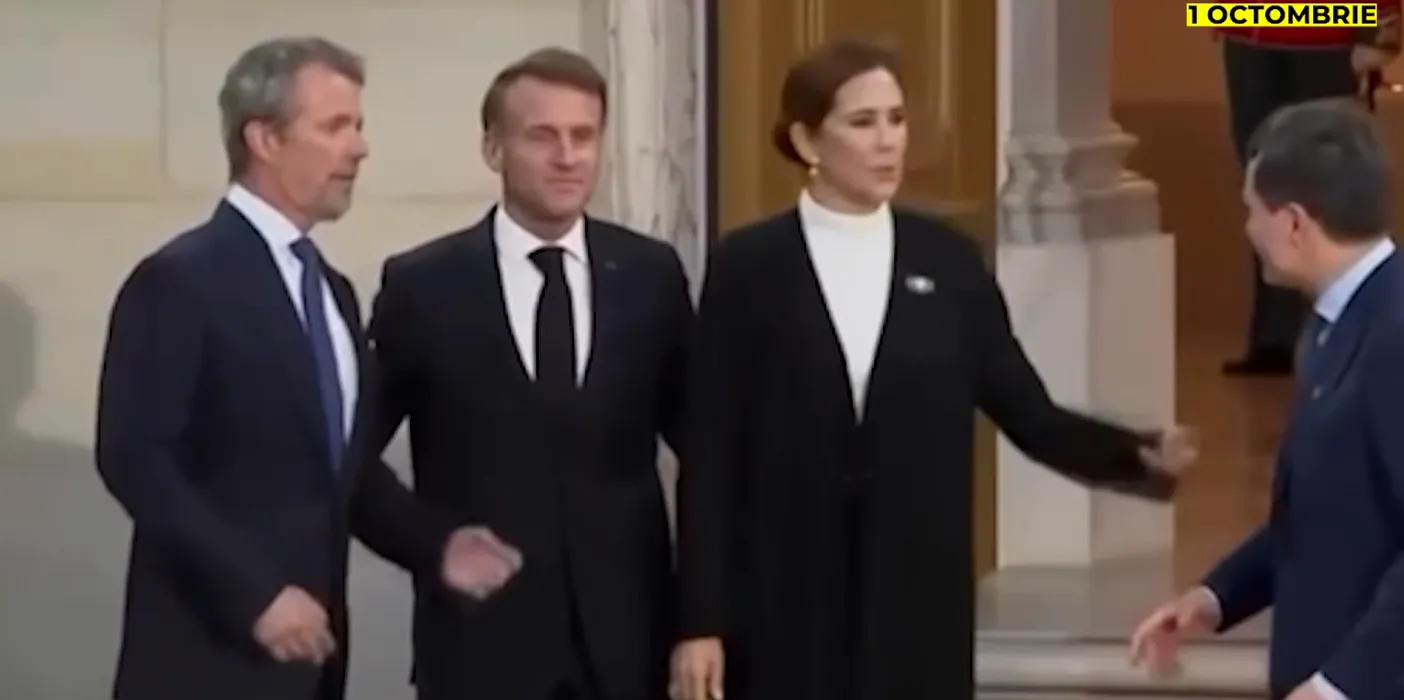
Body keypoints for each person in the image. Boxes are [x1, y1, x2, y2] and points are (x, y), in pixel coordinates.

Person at [669, 39, 1196, 700]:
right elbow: (711, 456)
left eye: (896, 119)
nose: (888, 141)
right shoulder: (748, 268)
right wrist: (701, 622)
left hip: (915, 604)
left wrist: (1138, 455)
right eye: (863, 122)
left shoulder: (950, 263)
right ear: (806, 141)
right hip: (785, 604)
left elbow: (1029, 413)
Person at [94, 37, 522, 700]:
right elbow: (135, 459)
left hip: (311, 670)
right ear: (264, 138)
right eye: (335, 126)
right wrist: (256, 594)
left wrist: (437, 545)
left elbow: (344, 473)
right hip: (202, 665)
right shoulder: (178, 282)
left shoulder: (333, 292)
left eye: (358, 125)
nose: (359, 148)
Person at [366, 47, 692, 700]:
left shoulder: (651, 276)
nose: (568, 157)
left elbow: (709, 451)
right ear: (494, 149)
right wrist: (432, 545)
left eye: (584, 136)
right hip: (481, 649)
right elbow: (346, 453)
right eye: (543, 136)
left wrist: (704, 618)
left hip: (630, 650)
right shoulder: (423, 287)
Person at [1131, 100, 1404, 700]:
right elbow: (1319, 513)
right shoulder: (1337, 322)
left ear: (1295, 224)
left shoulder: (1395, 332)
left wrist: (1339, 686)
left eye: (1251, 211)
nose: (1248, 230)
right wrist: (1216, 597)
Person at [1213, 0, 1399, 376]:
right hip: (1248, 22)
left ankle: (1348, 333)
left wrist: (1379, 29)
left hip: (1329, 26)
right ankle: (1275, 337)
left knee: (1332, 185)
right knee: (1264, 182)